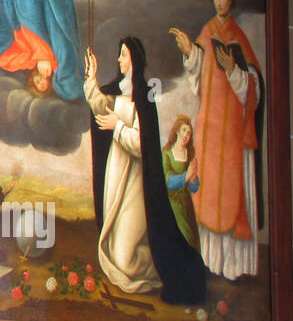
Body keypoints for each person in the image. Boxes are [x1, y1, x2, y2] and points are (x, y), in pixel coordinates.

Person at [85, 38, 205, 304]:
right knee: (116, 255)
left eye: (124, 55)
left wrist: (117, 126)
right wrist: (91, 79)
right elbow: (99, 106)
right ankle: (150, 256)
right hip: (118, 179)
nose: (119, 60)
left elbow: (142, 144)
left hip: (137, 185)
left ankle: (157, 265)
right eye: (119, 55)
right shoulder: (117, 92)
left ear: (135, 60)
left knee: (125, 262)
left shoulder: (144, 97)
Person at [169, 0, 262, 280]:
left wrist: (234, 69)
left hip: (233, 131)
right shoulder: (208, 32)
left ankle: (234, 268)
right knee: (208, 193)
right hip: (210, 127)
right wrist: (190, 53)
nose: (219, 1)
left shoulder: (238, 37)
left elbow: (255, 89)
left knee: (231, 194)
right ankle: (209, 261)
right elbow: (197, 77)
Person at [162, 115, 200, 250]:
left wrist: (193, 177)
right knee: (182, 238)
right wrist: (186, 176)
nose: (186, 135)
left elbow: (194, 188)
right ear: (177, 131)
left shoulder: (189, 154)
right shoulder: (167, 153)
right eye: (184, 130)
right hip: (172, 204)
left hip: (186, 205)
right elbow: (167, 181)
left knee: (192, 241)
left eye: (189, 133)